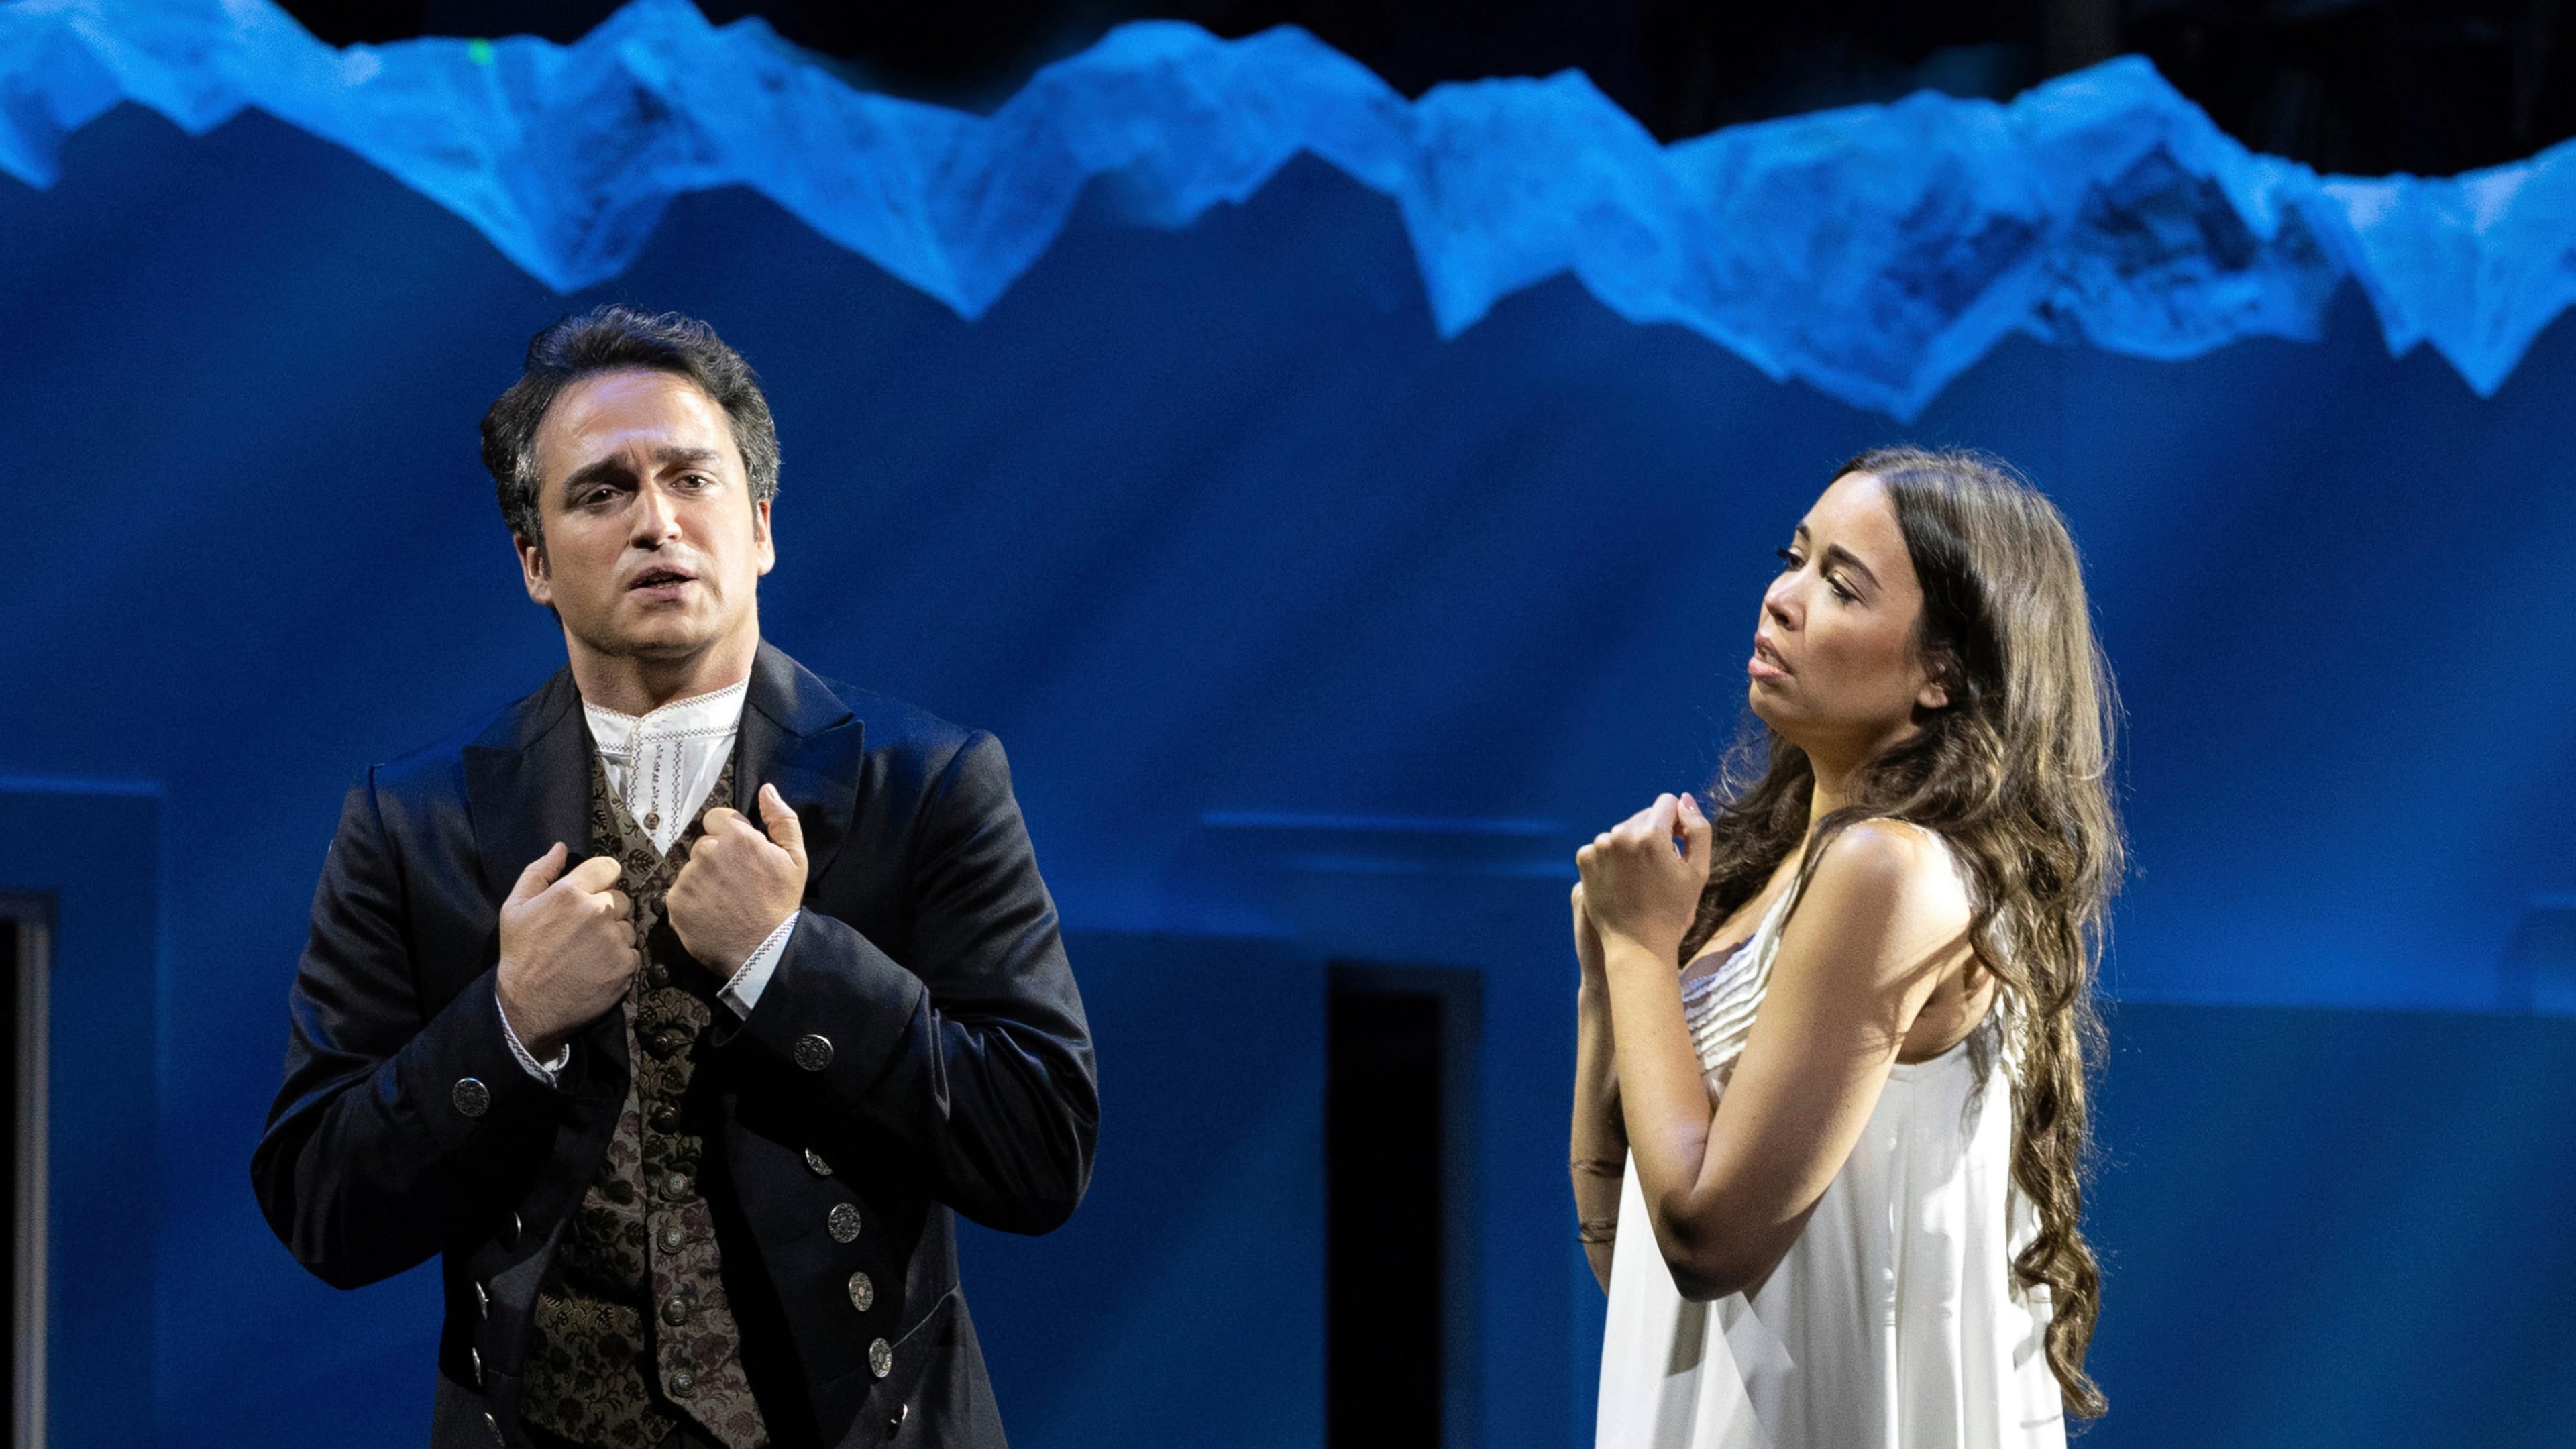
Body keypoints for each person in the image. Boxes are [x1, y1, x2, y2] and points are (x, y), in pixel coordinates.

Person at [251, 305, 1097, 1449]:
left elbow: (1040, 1153)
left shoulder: (928, 784)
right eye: (601, 491)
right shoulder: (417, 821)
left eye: (691, 480)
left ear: (758, 527)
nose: (656, 521)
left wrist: (786, 963)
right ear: (535, 563)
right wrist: (507, 1023)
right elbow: (321, 1207)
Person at [1571, 447, 2118, 1448]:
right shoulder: (1780, 875)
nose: (1782, 599)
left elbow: (1708, 1243)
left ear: (1943, 675)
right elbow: (1634, 1260)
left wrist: (1642, 953)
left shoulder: (1892, 871)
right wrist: (1611, 974)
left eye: (1839, 584)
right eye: (1794, 558)